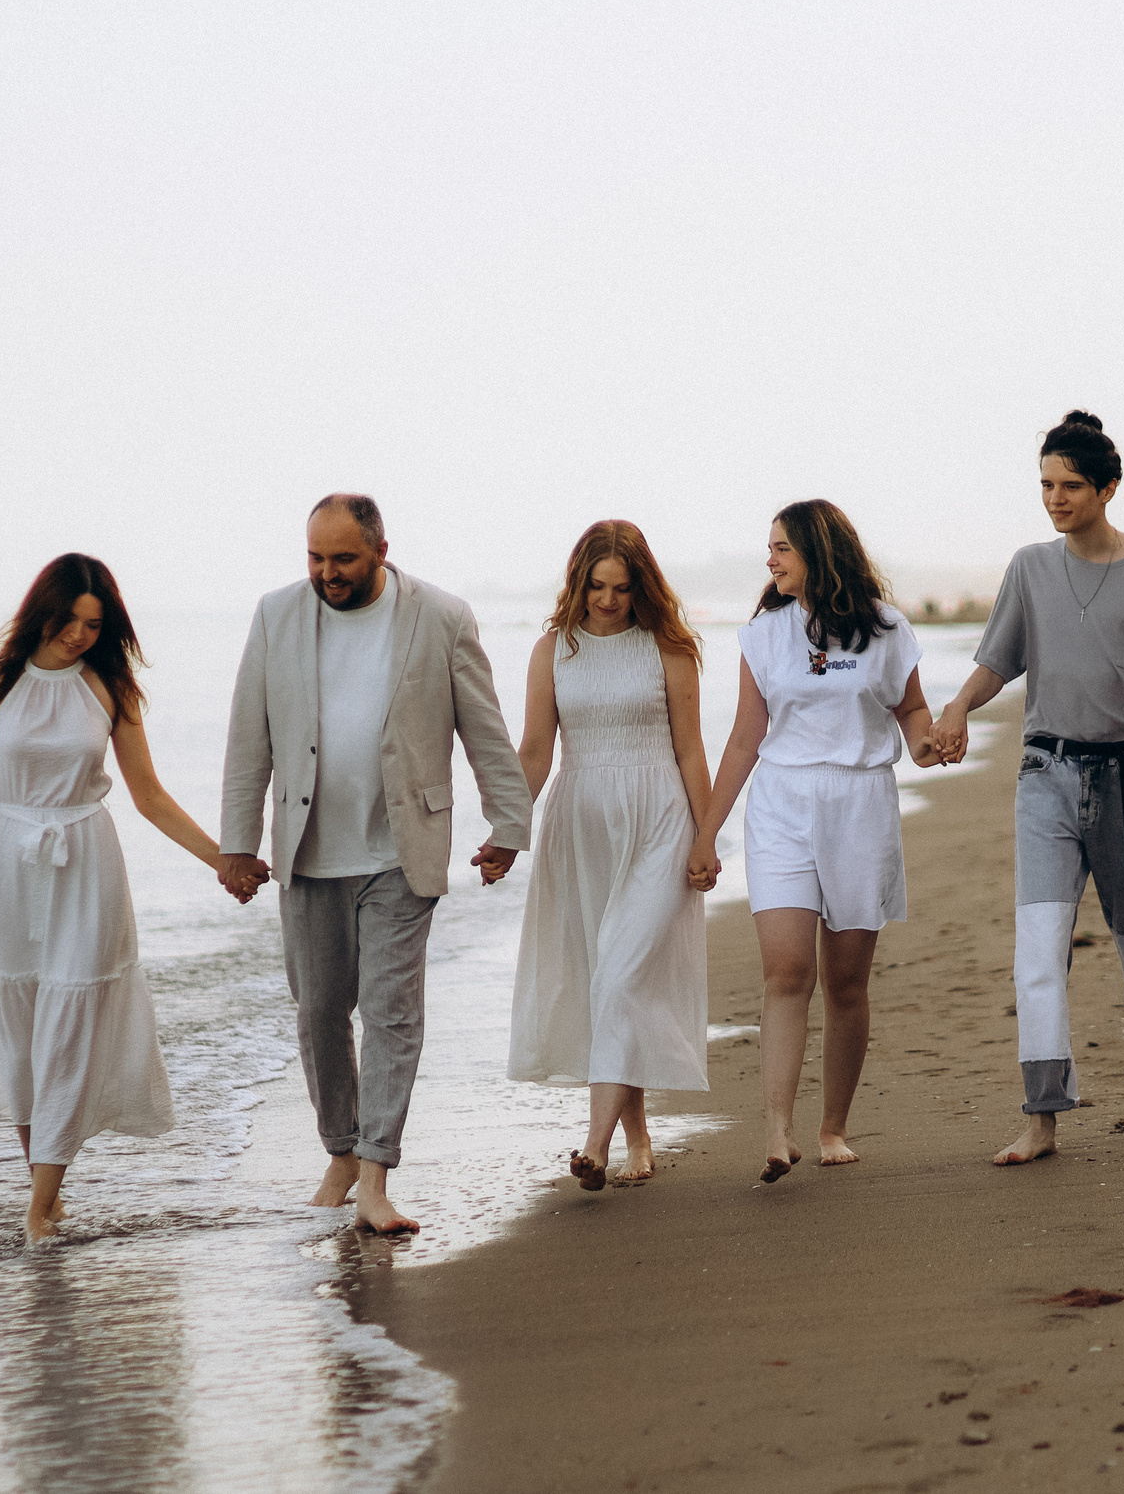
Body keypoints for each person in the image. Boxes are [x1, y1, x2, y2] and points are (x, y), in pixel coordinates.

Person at [930, 411, 1124, 1166]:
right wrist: (956, 707)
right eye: (1045, 483)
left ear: (1107, 487)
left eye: (1070, 485)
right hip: (1045, 776)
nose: (1054, 498)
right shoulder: (1030, 567)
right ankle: (1042, 1113)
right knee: (1037, 949)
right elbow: (1000, 660)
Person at [220, 493, 535, 1234]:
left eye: (343, 559)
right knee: (320, 1012)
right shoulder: (276, 616)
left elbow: (483, 730)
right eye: (315, 557)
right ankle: (340, 1149)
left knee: (392, 1014)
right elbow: (248, 739)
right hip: (308, 851)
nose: (327, 573)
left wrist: (509, 824)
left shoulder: (442, 617)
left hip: (401, 850)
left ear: (381, 550)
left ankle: (375, 1177)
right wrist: (238, 845)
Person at [0, 553, 236, 1245]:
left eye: (94, 625)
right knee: (19, 1029)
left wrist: (224, 858)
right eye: (70, 620)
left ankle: (40, 1203)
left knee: (69, 1021)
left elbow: (148, 795)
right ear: (44, 609)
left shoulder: (108, 687)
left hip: (85, 861)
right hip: (10, 860)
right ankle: (47, 1184)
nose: (79, 635)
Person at [687, 501, 943, 1182]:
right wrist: (707, 831)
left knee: (848, 981)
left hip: (860, 803)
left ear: (818, 551)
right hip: (782, 805)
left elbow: (911, 712)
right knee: (787, 970)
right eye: (769, 548)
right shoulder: (764, 635)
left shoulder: (887, 630)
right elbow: (745, 737)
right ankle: (777, 1128)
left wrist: (928, 744)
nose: (770, 560)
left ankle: (833, 1125)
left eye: (782, 549)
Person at [509, 522, 714, 1190]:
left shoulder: (668, 648)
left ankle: (593, 1146)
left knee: (622, 976)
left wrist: (706, 836)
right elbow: (536, 751)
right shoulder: (553, 650)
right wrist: (507, 828)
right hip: (581, 827)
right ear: (577, 582)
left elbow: (690, 750)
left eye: (622, 588)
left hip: (659, 821)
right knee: (608, 978)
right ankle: (638, 1137)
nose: (607, 600)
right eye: (596, 586)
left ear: (641, 587)